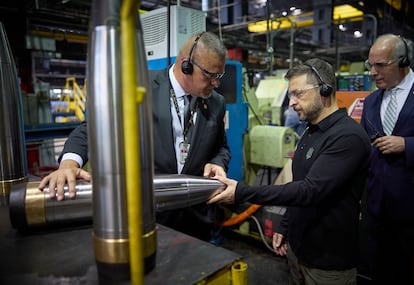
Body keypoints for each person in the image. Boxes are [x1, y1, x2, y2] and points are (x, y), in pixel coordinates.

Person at [38, 31, 231, 241]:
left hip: (195, 221)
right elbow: (91, 129)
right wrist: (68, 165)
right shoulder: (138, 87)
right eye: (210, 75)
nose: (215, 84)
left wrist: (217, 163)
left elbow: (221, 147)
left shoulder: (216, 103)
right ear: (186, 65)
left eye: (218, 76)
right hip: (146, 218)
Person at [208, 58, 371, 284]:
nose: (291, 102)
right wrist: (285, 227)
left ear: (325, 89)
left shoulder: (347, 137)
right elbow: (298, 183)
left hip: (328, 262)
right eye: (290, 95)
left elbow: (309, 191)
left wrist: (242, 191)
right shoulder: (311, 131)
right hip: (298, 250)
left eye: (298, 93)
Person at [360, 34, 414, 284]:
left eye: (380, 65)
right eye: (370, 65)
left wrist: (407, 144)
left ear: (403, 61)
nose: (373, 72)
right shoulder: (371, 102)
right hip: (376, 210)